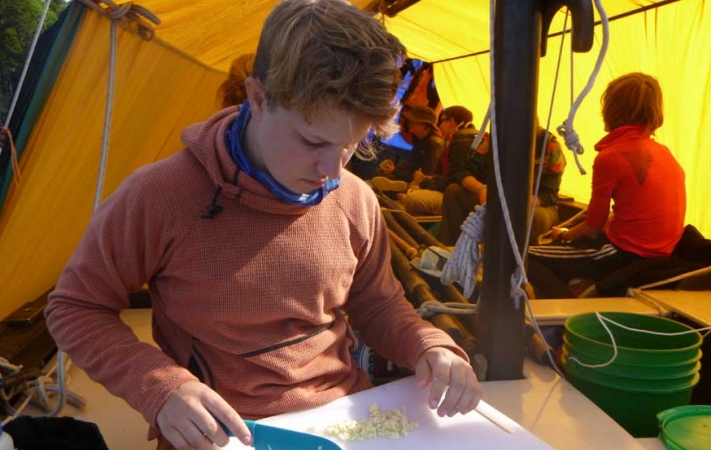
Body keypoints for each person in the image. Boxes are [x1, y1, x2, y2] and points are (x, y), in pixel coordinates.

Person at [44, 2, 482, 450]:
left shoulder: (355, 197)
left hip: (348, 423)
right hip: (225, 433)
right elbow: (75, 307)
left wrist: (430, 346)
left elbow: (377, 305)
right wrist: (160, 387)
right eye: (313, 141)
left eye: (352, 145)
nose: (333, 171)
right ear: (257, 98)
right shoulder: (160, 195)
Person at [528, 72, 685, 298]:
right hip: (662, 252)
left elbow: (593, 227)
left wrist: (565, 235)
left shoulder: (611, 156)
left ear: (611, 109)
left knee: (523, 258)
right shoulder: (664, 153)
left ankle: (575, 309)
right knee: (560, 254)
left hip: (625, 253)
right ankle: (578, 283)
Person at [438, 122, 564, 246]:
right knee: (454, 192)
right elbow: (462, 172)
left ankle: (518, 262)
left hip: (535, 205)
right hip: (495, 198)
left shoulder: (550, 146)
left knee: (529, 217)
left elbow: (549, 195)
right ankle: (454, 253)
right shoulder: (495, 140)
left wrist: (516, 204)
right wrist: (481, 189)